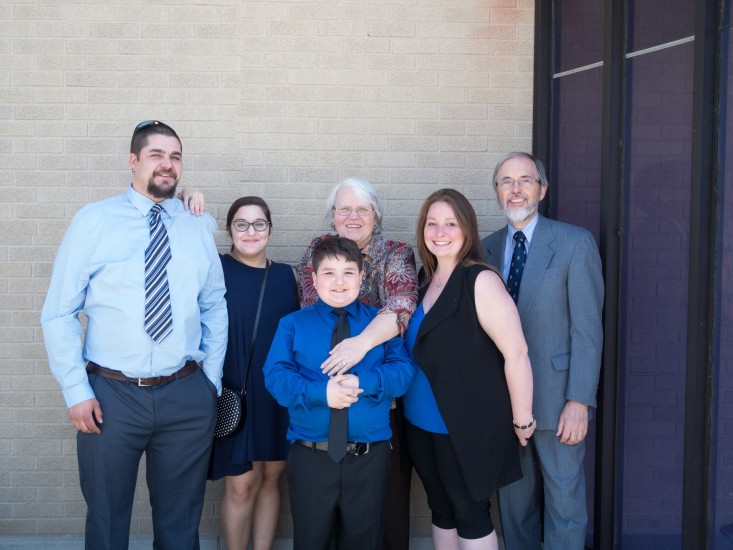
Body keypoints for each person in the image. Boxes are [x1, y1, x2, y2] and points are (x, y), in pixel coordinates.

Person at [40, 120, 228, 549]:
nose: (167, 164)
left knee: (181, 525)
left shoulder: (198, 223)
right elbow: (59, 312)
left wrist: (210, 383)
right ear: (133, 161)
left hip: (185, 394)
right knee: (106, 521)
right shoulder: (93, 221)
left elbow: (214, 304)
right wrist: (75, 389)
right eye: (156, 155)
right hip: (111, 397)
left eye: (175, 156)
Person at [481, 152, 603, 549]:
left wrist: (579, 402)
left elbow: (587, 330)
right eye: (506, 181)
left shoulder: (574, 243)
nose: (516, 189)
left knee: (565, 505)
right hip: (503, 401)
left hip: (558, 400)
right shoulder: (484, 249)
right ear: (497, 192)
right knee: (514, 506)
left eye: (525, 180)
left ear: (542, 189)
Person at [264, 236, 416, 550]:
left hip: (369, 459)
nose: (339, 282)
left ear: (362, 277)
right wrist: (322, 393)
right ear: (314, 278)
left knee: (364, 541)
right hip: (311, 457)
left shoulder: (380, 325)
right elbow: (276, 377)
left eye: (348, 272)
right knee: (311, 541)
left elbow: (403, 373)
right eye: (329, 273)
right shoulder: (292, 325)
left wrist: (363, 382)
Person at [403, 188, 535, 550]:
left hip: (465, 425)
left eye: (450, 223)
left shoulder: (481, 280)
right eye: (432, 223)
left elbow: (516, 353)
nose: (440, 232)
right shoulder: (424, 279)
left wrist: (523, 419)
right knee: (441, 507)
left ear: (467, 229)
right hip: (419, 423)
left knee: (470, 512)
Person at [296, 177, 418, 550]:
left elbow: (401, 308)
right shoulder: (317, 249)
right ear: (332, 215)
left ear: (375, 215)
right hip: (322, 396)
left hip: (375, 398)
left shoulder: (394, 253)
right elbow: (310, 312)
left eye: (362, 209)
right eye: (344, 209)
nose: (353, 217)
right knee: (321, 510)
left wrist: (359, 346)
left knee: (378, 509)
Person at [208, 197, 299, 550]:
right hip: (235, 391)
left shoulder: (288, 276)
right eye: (241, 224)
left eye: (259, 224)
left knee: (272, 477)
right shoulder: (215, 268)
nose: (251, 231)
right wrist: (189, 196)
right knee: (241, 482)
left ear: (270, 230)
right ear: (229, 230)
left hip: (277, 391)